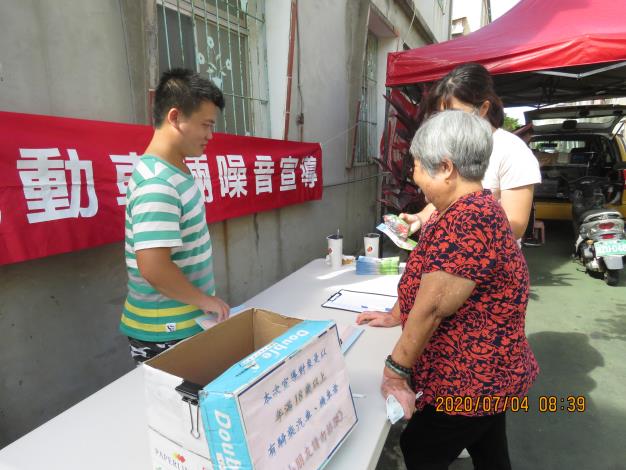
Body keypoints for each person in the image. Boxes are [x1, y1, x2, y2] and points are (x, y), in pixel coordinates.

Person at [362, 110, 539, 469]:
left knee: (420, 446)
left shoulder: (469, 221)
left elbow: (433, 307)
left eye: (417, 166)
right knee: (489, 448)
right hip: (490, 377)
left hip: (469, 381)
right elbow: (426, 278)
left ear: (445, 168)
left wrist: (396, 371)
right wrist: (395, 314)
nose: (413, 177)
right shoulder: (469, 208)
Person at [120, 68, 230, 362]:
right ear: (174, 117)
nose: (210, 135)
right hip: (166, 330)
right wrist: (204, 300)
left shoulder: (174, 169)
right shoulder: (158, 184)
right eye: (205, 125)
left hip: (184, 318)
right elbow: (154, 267)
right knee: (179, 406)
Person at [400, 63, 541, 242]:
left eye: (455, 114)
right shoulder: (450, 147)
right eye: (441, 115)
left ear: (483, 109)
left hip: (486, 263)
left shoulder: (513, 151)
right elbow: (448, 201)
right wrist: (420, 218)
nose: (446, 123)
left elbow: (515, 226)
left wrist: (461, 244)